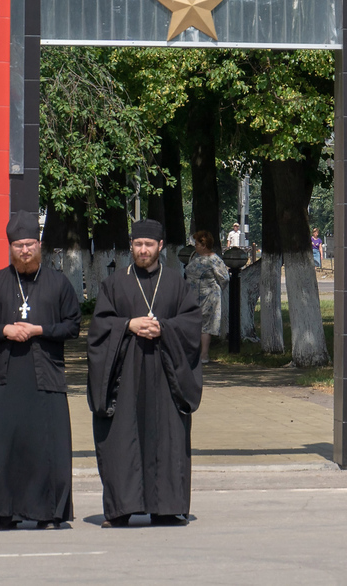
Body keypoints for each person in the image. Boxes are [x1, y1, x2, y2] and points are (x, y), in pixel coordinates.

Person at [0, 211, 83, 530]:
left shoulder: (58, 283)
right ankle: (1, 513)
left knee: (44, 447)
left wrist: (39, 330)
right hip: (5, 377)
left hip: (45, 376)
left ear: (39, 245)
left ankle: (47, 513)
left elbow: (73, 325)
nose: (25, 251)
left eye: (30, 244)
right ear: (10, 248)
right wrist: (5, 330)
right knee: (2, 448)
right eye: (19, 246)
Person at [89, 218, 204, 526]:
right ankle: (121, 509)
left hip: (166, 375)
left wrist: (163, 328)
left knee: (167, 437)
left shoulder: (176, 283)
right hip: (125, 375)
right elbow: (99, 326)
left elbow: (192, 324)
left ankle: (166, 508)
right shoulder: (115, 283)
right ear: (131, 246)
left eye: (149, 245)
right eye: (138, 244)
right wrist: (128, 324)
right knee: (122, 438)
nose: (143, 250)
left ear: (160, 247)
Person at [185, 230, 231, 360]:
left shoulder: (214, 260)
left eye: (197, 244)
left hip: (208, 297)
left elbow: (224, 278)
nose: (195, 246)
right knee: (192, 323)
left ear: (204, 245)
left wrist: (212, 288)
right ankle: (192, 353)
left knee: (205, 325)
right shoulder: (195, 256)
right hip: (191, 296)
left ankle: (204, 354)